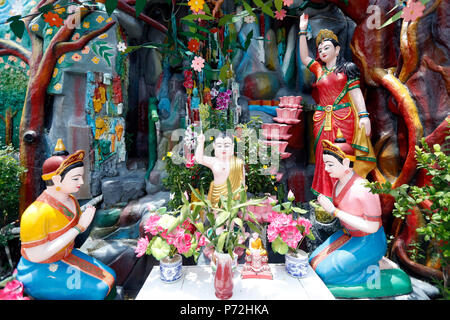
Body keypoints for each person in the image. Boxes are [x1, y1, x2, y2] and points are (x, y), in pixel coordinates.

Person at [16, 139, 116, 300]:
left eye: (81, 177)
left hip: (66, 255)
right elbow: (37, 256)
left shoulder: (72, 201)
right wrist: (78, 228)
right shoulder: (36, 213)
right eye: (75, 178)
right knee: (100, 288)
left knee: (110, 276)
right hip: (38, 269)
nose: (81, 182)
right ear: (56, 180)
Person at [298, 13, 376, 199]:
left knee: (342, 156)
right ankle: (326, 196)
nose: (323, 51)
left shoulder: (348, 69)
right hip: (321, 120)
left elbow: (356, 93)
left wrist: (364, 116)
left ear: (337, 49)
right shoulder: (318, 69)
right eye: (320, 49)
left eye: (327, 47)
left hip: (344, 119)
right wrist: (302, 31)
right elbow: (303, 57)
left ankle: (344, 196)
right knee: (323, 157)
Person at [308, 135, 387, 285]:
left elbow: (372, 226)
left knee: (323, 272)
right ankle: (356, 267)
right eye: (325, 164)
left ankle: (368, 273)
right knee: (313, 261)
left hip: (369, 240)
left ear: (345, 162)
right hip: (348, 235)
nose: (325, 169)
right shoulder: (338, 184)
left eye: (330, 164)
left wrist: (334, 211)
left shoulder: (364, 188)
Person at [195, 131, 245, 209]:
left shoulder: (238, 163)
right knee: (216, 219)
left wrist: (242, 202)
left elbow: (243, 184)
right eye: (219, 146)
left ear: (232, 146)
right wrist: (201, 143)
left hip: (233, 200)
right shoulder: (214, 161)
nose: (223, 149)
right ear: (214, 146)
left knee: (230, 219)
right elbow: (199, 159)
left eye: (227, 146)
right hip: (217, 198)